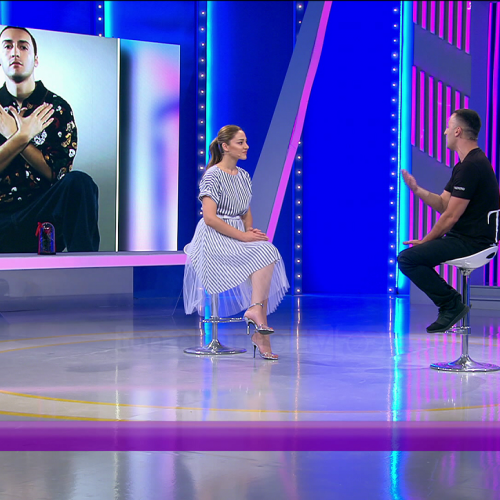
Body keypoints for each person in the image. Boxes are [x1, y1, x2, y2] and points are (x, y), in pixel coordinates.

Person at [183, 125, 289, 359]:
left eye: (246, 141)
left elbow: (245, 212)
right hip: (213, 238)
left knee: (267, 251)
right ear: (225, 146)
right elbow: (210, 218)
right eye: (240, 142)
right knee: (264, 253)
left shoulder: (243, 176)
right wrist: (243, 236)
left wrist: (250, 231)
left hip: (237, 236)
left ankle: (257, 317)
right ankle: (259, 325)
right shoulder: (212, 175)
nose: (246, 146)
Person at [398, 109, 499, 333]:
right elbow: (444, 204)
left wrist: (426, 241)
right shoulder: (465, 165)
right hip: (464, 238)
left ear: (457, 131)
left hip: (473, 242)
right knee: (411, 257)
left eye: (447, 127)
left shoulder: (472, 166)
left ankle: (451, 304)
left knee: (408, 259)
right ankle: (452, 304)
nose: (444, 132)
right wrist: (416, 189)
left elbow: (451, 216)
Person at [0, 25, 99, 253]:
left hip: (41, 217)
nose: (15, 52)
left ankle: (87, 268)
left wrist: (15, 136)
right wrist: (21, 135)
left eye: (23, 47)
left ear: (35, 60)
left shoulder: (56, 108)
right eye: (8, 46)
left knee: (80, 183)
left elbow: (56, 173)